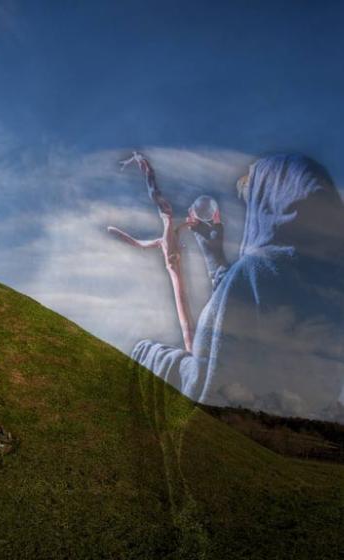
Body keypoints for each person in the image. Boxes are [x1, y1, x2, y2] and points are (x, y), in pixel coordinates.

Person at [132, 154, 344, 423]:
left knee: (143, 351)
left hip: (240, 437)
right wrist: (216, 260)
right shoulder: (333, 287)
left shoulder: (257, 270)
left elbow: (205, 384)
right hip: (296, 442)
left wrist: (147, 354)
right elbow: (254, 334)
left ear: (267, 201)